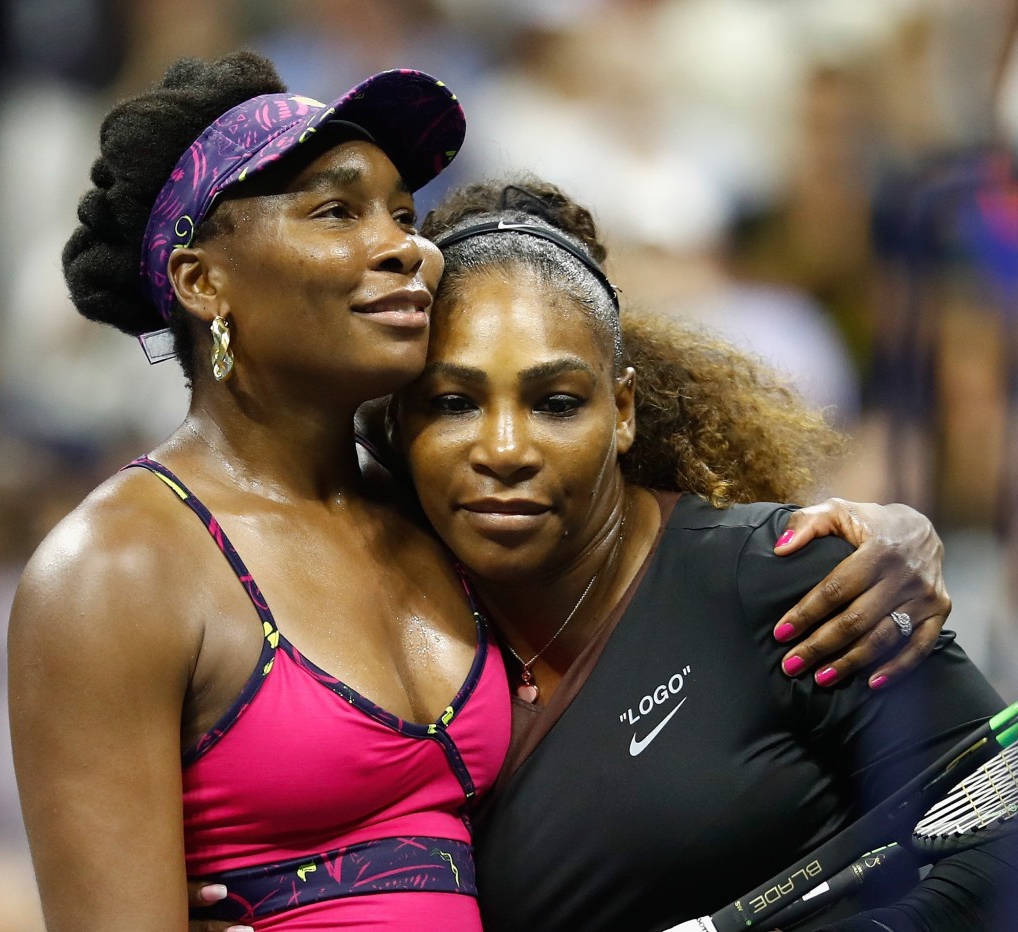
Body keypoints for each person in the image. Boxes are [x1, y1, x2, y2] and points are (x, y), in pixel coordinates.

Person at [10, 51, 952, 932]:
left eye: (404, 217)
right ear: (202, 280)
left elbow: (647, 545)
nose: (406, 251)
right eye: (339, 213)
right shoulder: (114, 571)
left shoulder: (436, 514)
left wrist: (883, 535)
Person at [388, 177, 1015, 930]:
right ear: (395, 424)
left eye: (555, 402)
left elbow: (997, 819)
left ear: (621, 411)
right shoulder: (364, 617)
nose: (505, 448)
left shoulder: (794, 577)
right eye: (454, 403)